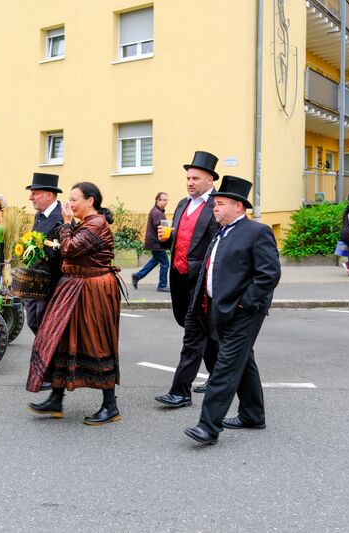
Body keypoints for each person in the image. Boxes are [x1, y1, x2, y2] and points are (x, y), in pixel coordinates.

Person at [183, 176, 281, 446]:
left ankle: (208, 426)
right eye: (215, 203)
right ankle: (252, 415)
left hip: (244, 312)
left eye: (221, 203)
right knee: (243, 361)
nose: (215, 208)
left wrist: (245, 303)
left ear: (239, 207)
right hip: (220, 309)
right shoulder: (221, 231)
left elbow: (269, 275)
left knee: (225, 366)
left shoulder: (257, 232)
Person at [26, 182, 123, 426]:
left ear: (90, 201)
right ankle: (56, 398)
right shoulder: (84, 223)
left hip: (93, 290)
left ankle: (110, 406)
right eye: (69, 200)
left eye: (74, 199)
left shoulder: (97, 223)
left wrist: (67, 224)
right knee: (59, 339)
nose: (70, 204)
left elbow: (70, 249)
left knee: (96, 343)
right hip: (73, 286)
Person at [154, 151, 220, 407]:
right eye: (188, 178)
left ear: (210, 180)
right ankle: (218, 377)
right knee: (199, 329)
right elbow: (183, 238)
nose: (190, 182)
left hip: (202, 280)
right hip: (180, 275)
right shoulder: (182, 203)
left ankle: (181, 391)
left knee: (193, 334)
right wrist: (168, 238)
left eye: (195, 178)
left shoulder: (217, 204)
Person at [23, 173, 64, 334]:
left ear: (49, 195)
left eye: (35, 193)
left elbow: (62, 251)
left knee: (44, 323)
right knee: (33, 320)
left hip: (51, 283)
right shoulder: (39, 216)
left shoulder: (61, 218)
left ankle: (49, 356)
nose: (30, 198)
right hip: (36, 281)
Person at [132, 192, 170, 292]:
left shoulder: (158, 211)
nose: (166, 202)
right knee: (165, 263)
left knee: (155, 260)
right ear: (158, 200)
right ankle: (162, 285)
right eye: (164, 200)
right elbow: (160, 227)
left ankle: (137, 276)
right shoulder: (157, 213)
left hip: (154, 242)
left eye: (167, 200)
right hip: (156, 243)